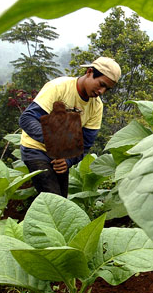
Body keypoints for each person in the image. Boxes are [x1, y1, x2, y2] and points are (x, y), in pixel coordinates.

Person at [19, 57, 121, 197]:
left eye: (107, 89)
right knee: (53, 200)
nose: (101, 91)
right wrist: (54, 141)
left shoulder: (96, 106)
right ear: (89, 72)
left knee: (62, 200)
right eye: (101, 84)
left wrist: (67, 161)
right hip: (36, 149)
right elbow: (27, 118)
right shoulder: (59, 87)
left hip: (61, 156)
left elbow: (84, 144)